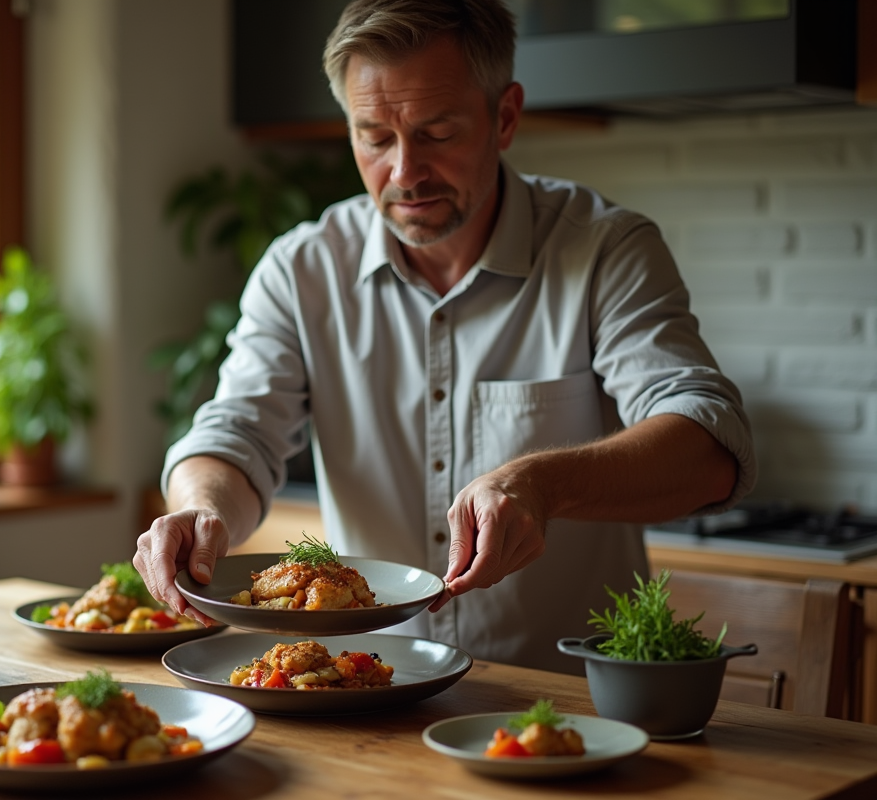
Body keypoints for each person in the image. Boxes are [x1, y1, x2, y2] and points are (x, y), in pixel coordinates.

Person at [134, 0, 755, 673]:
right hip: (368, 690)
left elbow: (709, 448)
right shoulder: (302, 269)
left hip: (563, 704)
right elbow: (237, 433)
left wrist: (541, 483)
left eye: (436, 132)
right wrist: (199, 511)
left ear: (505, 116)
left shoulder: (606, 250)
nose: (405, 172)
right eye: (374, 137)